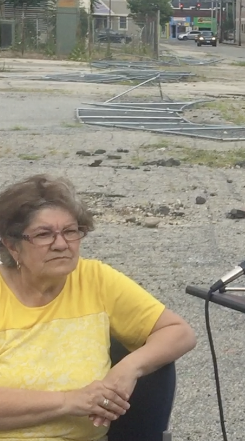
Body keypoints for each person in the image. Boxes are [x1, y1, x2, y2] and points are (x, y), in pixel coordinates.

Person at [0, 174, 196, 440]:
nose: (61, 244)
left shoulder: (95, 279)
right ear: (12, 246)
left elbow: (179, 332)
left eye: (70, 231)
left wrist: (128, 368)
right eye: (43, 234)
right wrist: (69, 401)